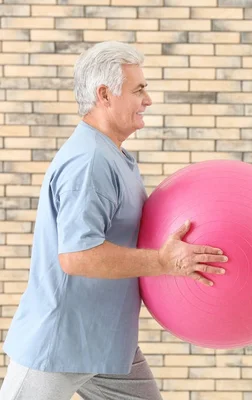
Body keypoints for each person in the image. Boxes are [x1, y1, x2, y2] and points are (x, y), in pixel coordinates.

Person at [0, 41, 228, 400]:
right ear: (104, 95)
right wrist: (163, 262)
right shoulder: (89, 162)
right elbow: (78, 256)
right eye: (138, 90)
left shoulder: (114, 157)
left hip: (107, 345)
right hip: (60, 344)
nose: (147, 100)